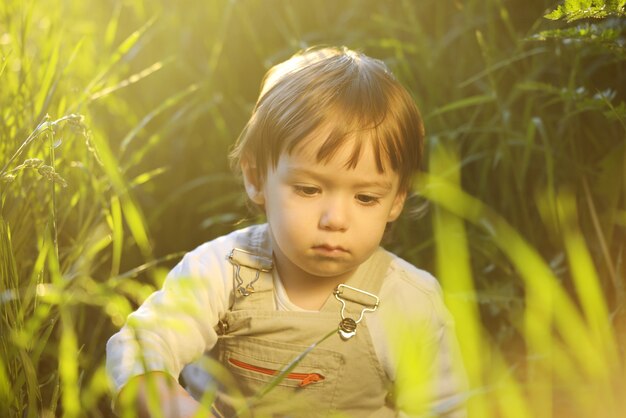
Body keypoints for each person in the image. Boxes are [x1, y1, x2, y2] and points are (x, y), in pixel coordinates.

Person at [106, 46, 467, 417]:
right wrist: (170, 405)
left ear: (396, 200)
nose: (335, 219)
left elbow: (444, 409)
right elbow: (140, 346)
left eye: (366, 197)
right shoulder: (222, 270)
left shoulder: (407, 302)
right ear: (256, 178)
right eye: (309, 190)